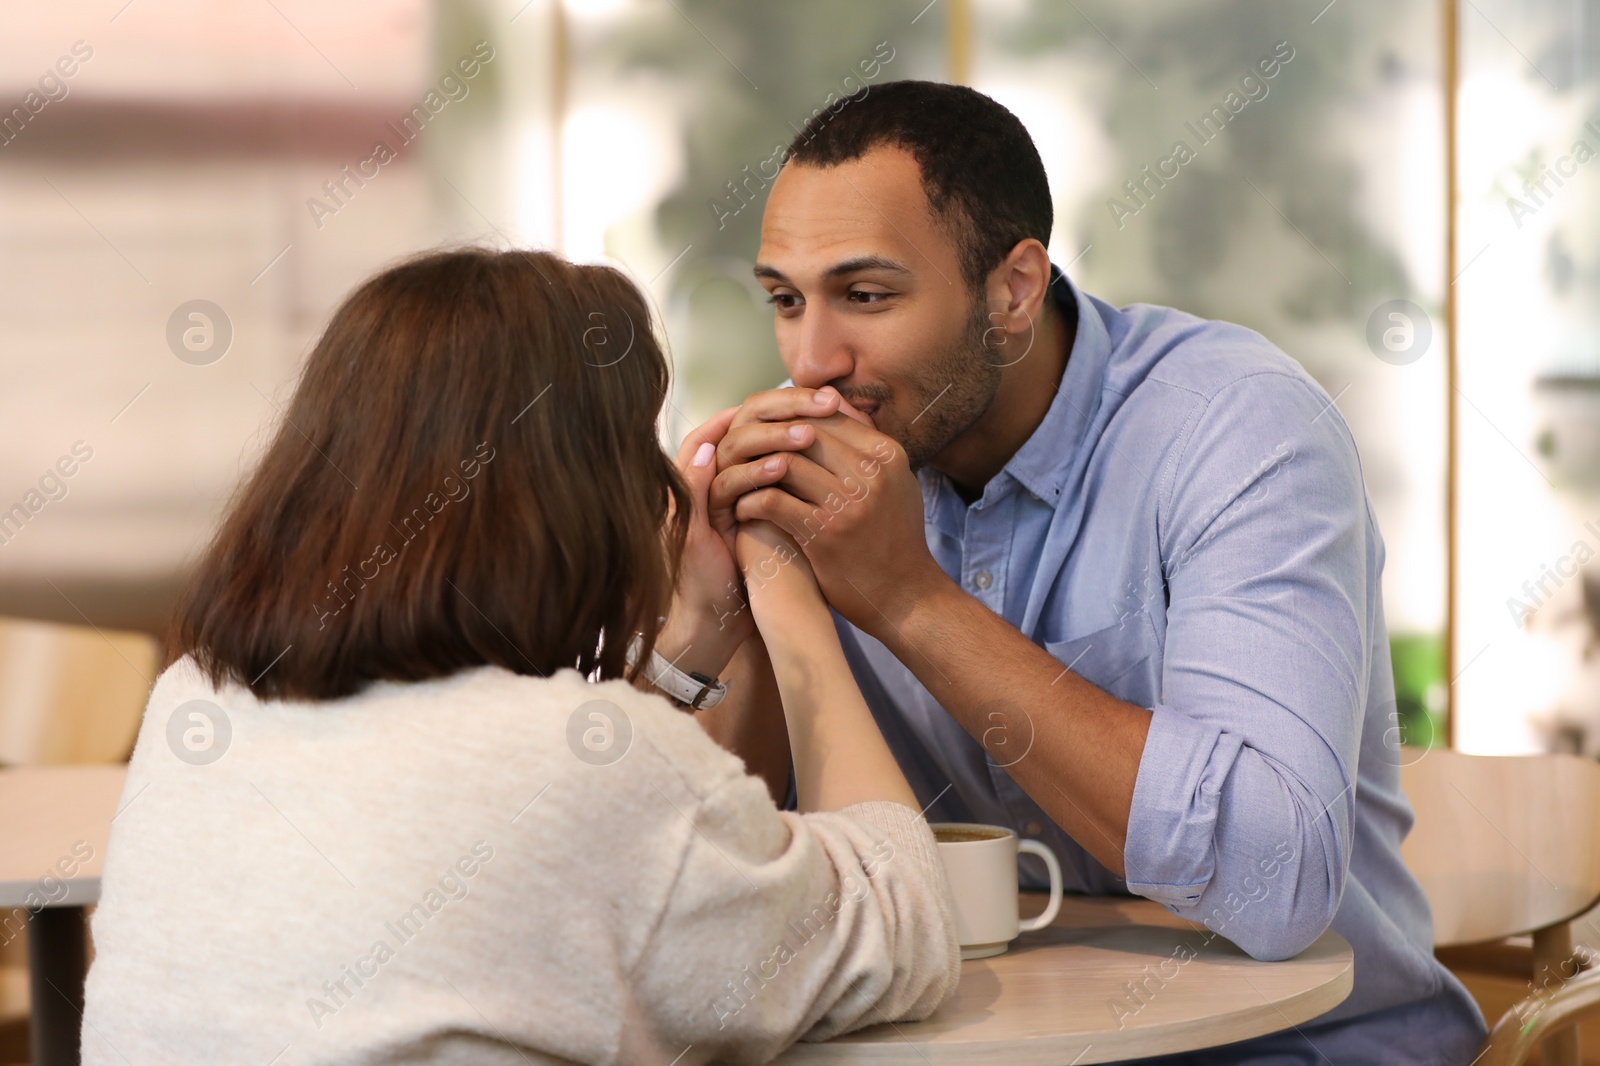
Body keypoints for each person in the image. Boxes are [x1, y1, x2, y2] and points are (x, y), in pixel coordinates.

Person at [655, 80, 1489, 1063]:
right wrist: (712, 614)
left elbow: (1275, 880)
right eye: (787, 301)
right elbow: (698, 892)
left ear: (1011, 289)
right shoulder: (821, 476)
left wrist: (910, 600)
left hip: (1304, 1047)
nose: (813, 359)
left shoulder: (1237, 430)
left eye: (866, 296)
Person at [80, 248, 960, 1065]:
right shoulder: (581, 767)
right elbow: (903, 926)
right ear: (576, 493)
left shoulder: (195, 703)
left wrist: (690, 639)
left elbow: (582, 821)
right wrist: (783, 590)